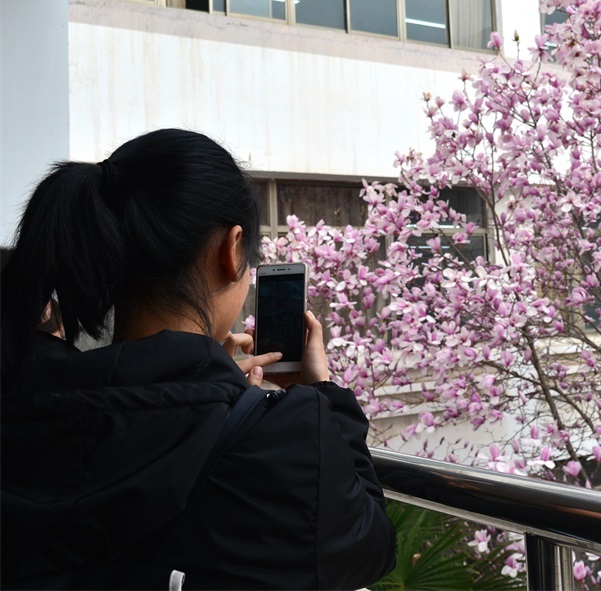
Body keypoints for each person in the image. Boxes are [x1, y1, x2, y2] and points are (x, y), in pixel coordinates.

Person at [0, 129, 396, 589]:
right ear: (230, 250)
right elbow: (368, 547)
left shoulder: (23, 388)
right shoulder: (287, 435)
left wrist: (212, 390)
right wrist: (323, 395)